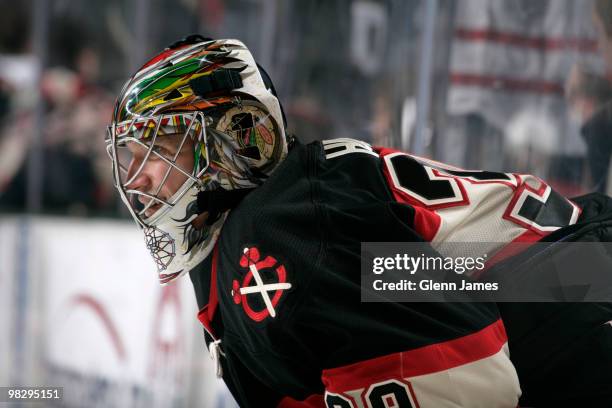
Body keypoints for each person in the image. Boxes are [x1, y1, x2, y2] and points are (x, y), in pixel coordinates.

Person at [106, 36, 612, 407]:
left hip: (586, 284)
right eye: (131, 156)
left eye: (158, 149)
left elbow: (470, 374)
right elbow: (431, 285)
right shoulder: (234, 250)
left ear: (239, 136)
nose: (138, 180)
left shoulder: (285, 230)